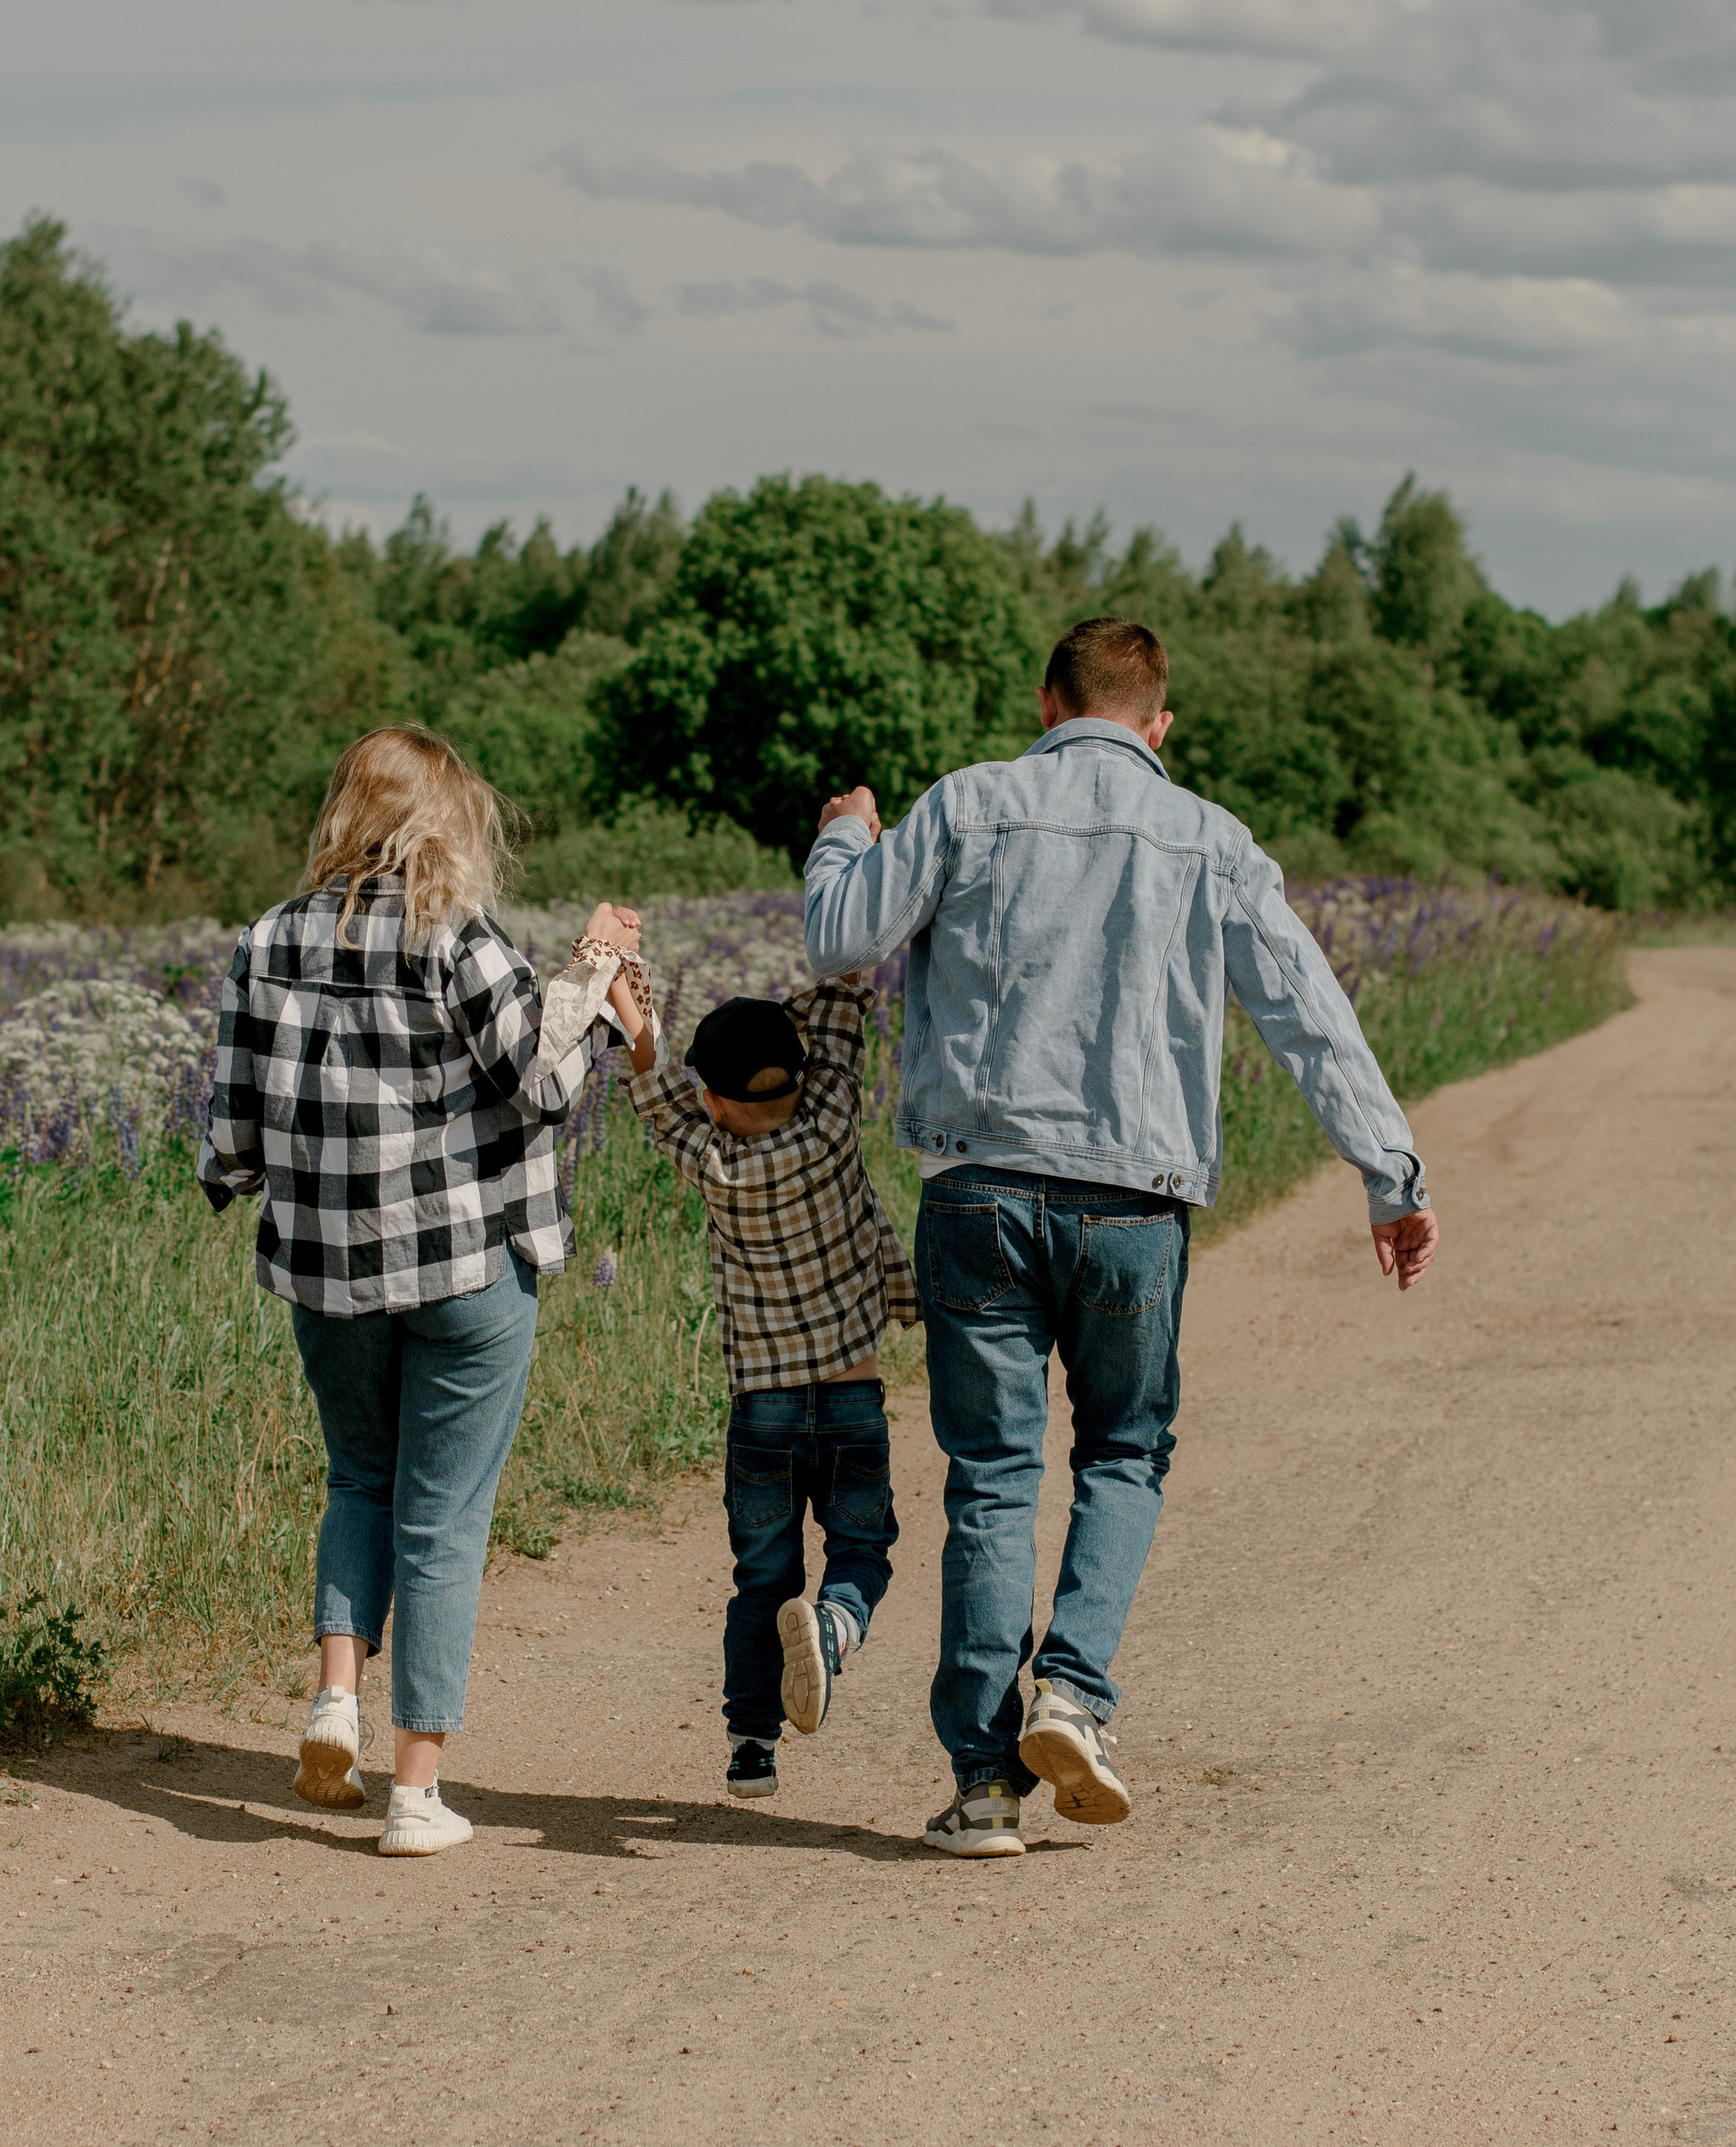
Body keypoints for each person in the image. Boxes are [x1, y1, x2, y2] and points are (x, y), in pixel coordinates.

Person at [803, 616, 1442, 1858]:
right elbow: (1307, 1014)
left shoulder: (967, 804)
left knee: (993, 1475)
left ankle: (983, 1789)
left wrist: (845, 836)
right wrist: (1390, 1173)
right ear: (1160, 725)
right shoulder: (1209, 838)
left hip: (978, 1191)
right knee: (1123, 1452)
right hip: (1134, 1201)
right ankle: (1074, 1693)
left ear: (1046, 702)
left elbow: (837, 941)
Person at [198, 724, 652, 1857]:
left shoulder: (267, 939)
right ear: (445, 821)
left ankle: (334, 1699)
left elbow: (233, 1133)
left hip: (324, 1268)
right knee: (442, 1519)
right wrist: (595, 976)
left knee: (358, 1477)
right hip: (464, 1263)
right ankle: (415, 1794)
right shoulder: (457, 936)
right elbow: (538, 1084)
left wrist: (287, 1172)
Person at [624, 980, 920, 1798]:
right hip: (852, 1399)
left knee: (762, 1577)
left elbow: (655, 1095)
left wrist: (625, 994)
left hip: (764, 1408)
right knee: (861, 1549)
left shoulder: (714, 1160)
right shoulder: (832, 1119)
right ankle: (836, 1625)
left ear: (713, 1102)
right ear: (803, 1074)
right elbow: (843, 1010)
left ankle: (752, 1746)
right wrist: (814, 995)